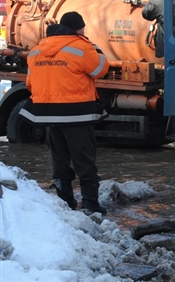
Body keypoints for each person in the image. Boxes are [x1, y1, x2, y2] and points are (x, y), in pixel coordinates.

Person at [19, 11, 110, 213]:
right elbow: (100, 70)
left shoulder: (35, 52)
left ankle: (65, 203)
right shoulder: (82, 47)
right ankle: (91, 205)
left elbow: (29, 84)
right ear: (78, 29)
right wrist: (96, 49)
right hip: (76, 112)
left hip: (47, 114)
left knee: (59, 160)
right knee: (84, 160)